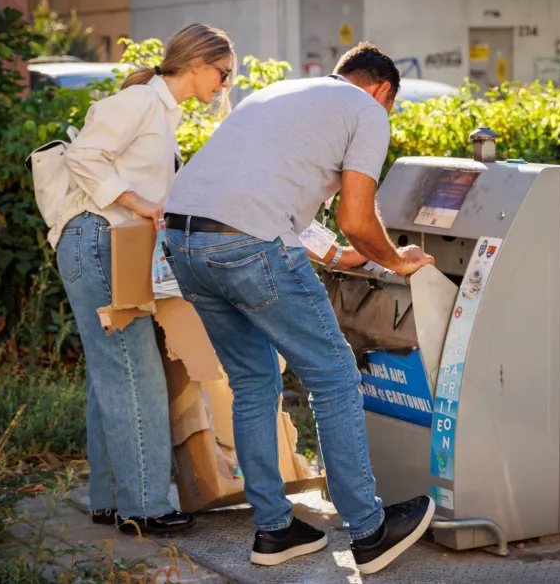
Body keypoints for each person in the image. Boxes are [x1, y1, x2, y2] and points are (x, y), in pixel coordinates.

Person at [162, 42, 436, 574]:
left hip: (183, 240)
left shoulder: (280, 94)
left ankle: (274, 530)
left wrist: (342, 255)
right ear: (382, 89)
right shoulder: (366, 109)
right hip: (247, 244)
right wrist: (396, 261)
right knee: (334, 376)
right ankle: (369, 531)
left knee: (254, 382)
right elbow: (358, 217)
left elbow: (277, 198)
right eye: (391, 106)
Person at [54, 23, 236, 536]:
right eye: (222, 73)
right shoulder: (139, 104)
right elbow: (83, 156)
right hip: (101, 239)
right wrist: (141, 204)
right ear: (197, 64)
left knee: (112, 372)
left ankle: (112, 498)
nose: (223, 84)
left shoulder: (161, 112)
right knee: (135, 369)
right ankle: (146, 508)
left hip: (111, 242)